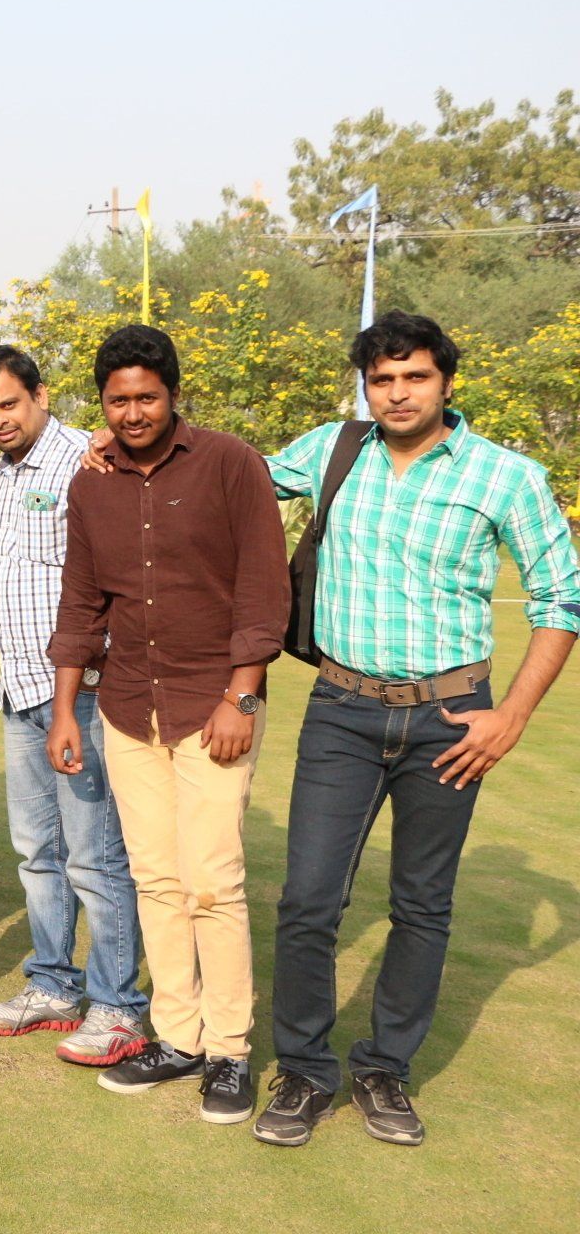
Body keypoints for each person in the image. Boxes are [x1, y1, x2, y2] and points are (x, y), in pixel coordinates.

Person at [250, 312, 580, 1148]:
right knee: (308, 901)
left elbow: (561, 597)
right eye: (382, 380)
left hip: (452, 720)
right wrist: (122, 450)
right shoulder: (334, 449)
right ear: (366, 386)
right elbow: (230, 476)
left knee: (422, 905)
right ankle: (304, 1071)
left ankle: (384, 1069)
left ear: (446, 382)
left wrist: (511, 716)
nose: (397, 393)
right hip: (340, 709)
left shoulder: (507, 476)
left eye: (415, 377)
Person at [46, 324, 289, 1125]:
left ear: (174, 395)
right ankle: (177, 1036)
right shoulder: (92, 486)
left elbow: (263, 588)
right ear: (103, 404)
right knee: (155, 881)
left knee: (213, 882)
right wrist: (63, 711)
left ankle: (229, 1050)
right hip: (126, 708)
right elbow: (82, 602)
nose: (133, 411)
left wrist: (241, 696)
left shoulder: (229, 463)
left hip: (210, 706)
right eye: (118, 399)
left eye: (146, 396)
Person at [0, 346, 149, 1065]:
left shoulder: (88, 462)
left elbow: (105, 582)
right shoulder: (3, 475)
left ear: (41, 395)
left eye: (9, 405)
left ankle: (120, 1008)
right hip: (20, 687)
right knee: (38, 855)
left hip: (83, 691)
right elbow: (29, 576)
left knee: (96, 857)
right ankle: (55, 987)